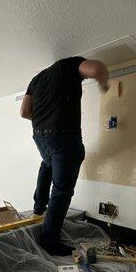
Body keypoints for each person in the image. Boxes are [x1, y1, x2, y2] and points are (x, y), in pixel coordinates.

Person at [20, 56, 109, 255]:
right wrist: (104, 80)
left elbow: (25, 112)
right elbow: (96, 68)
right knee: (61, 189)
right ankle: (49, 240)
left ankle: (38, 207)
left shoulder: (36, 80)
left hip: (41, 136)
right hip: (64, 137)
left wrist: (45, 119)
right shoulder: (69, 64)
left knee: (47, 163)